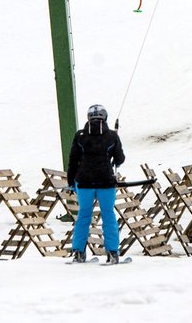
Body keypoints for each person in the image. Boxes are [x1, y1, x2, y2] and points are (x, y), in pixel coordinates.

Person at [67, 104, 125, 264]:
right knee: (108, 216)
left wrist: (71, 181)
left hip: (84, 182)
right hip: (106, 182)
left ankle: (78, 252)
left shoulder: (80, 136)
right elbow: (120, 159)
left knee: (83, 215)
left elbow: (72, 161)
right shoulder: (112, 136)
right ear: (105, 118)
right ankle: (112, 252)